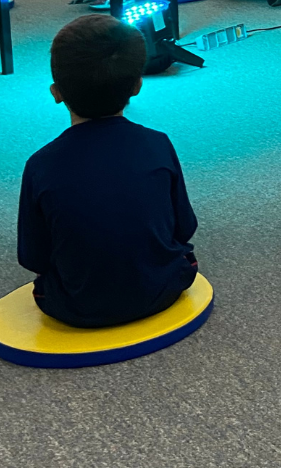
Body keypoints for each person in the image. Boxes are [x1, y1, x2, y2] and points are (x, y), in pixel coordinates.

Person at [17, 16, 198, 328]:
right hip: (166, 288)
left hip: (75, 307)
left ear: (56, 93)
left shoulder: (40, 165)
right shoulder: (158, 143)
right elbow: (184, 228)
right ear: (137, 86)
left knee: (48, 283)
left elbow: (33, 257)